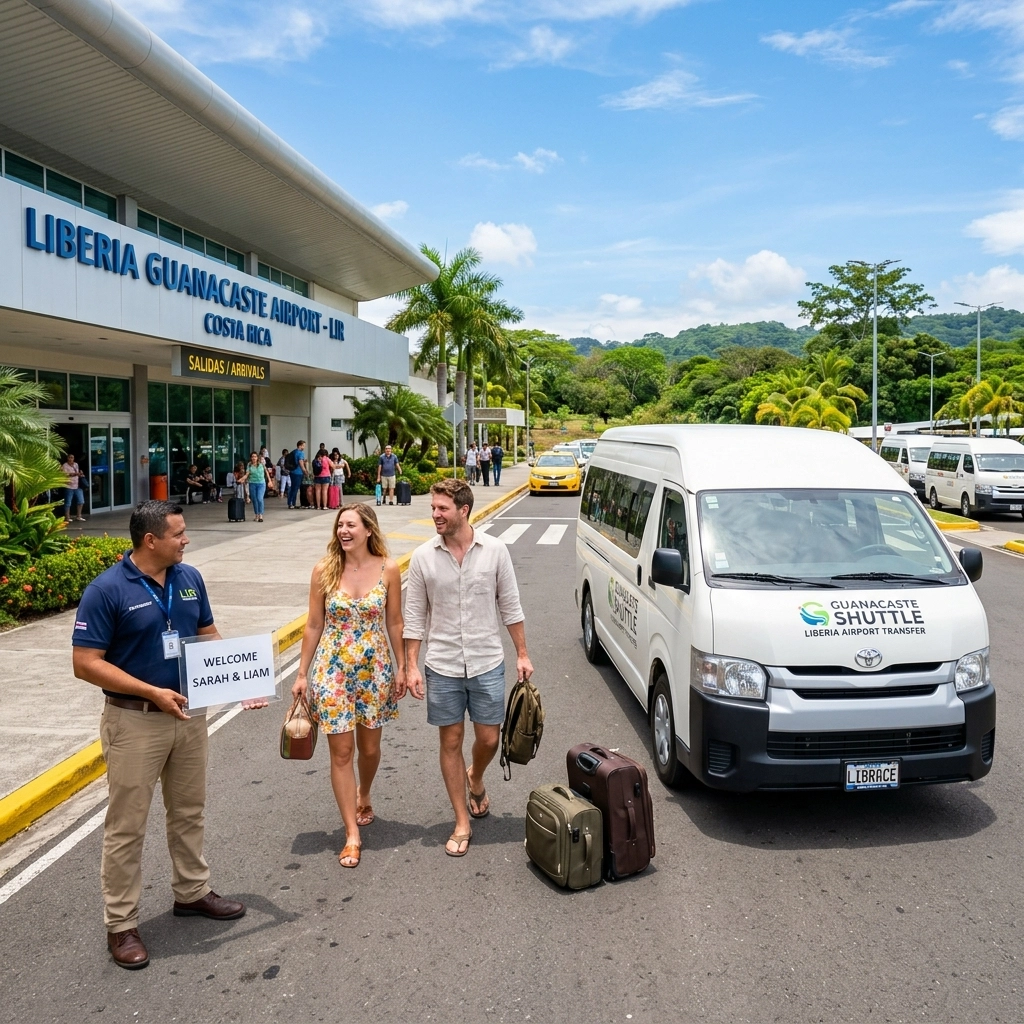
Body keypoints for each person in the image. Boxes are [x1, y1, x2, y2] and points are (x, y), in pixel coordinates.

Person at [71, 500, 266, 970]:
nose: (187, 539)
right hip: (134, 720)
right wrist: (151, 692)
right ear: (150, 540)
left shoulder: (189, 578)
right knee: (126, 826)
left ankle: (192, 892)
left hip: (189, 716)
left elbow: (208, 634)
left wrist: (241, 682)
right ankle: (121, 925)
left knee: (188, 810)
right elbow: (85, 663)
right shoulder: (107, 590)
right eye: (179, 534)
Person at [403, 478, 533, 858]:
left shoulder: (495, 551)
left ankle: (475, 775)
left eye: (442, 509)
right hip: (441, 664)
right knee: (450, 741)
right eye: (433, 508)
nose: (435, 515)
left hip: (486, 660)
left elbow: (510, 605)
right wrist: (411, 665)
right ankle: (461, 820)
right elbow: (414, 617)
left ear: (463, 510)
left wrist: (522, 653)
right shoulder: (423, 557)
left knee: (490, 739)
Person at [292, 504, 406, 869]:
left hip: (374, 670)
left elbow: (395, 623)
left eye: (351, 525)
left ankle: (365, 792)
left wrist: (403, 666)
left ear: (368, 530)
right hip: (332, 670)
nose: (343, 530)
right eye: (340, 524)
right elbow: (313, 625)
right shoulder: (324, 570)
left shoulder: (388, 568)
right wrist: (302, 673)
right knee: (341, 753)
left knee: (369, 749)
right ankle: (351, 835)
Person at [243, 451, 268, 522]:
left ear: (257, 458)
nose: (254, 458)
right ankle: (256, 514)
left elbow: (266, 472)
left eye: (255, 456)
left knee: (260, 498)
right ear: (251, 458)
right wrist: (242, 479)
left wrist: (269, 481)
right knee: (254, 499)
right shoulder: (249, 465)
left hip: (261, 483)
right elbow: (247, 474)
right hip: (252, 483)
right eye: (252, 457)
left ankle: (261, 515)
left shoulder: (261, 464)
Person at [62, 452, 86, 522]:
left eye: (72, 458)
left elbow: (77, 473)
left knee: (81, 501)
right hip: (69, 486)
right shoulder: (64, 465)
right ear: (67, 458)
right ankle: (67, 517)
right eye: (69, 457)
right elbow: (66, 474)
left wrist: (80, 474)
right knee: (68, 503)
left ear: (74, 458)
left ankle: (79, 516)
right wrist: (76, 474)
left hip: (77, 486)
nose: (70, 459)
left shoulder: (76, 464)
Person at [287, 441, 307, 509]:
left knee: (293, 487)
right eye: (303, 445)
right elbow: (300, 462)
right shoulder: (300, 453)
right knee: (295, 488)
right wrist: (304, 470)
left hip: (292, 471)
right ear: (300, 446)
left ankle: (291, 502)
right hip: (298, 472)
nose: (304, 447)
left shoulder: (294, 452)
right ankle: (292, 503)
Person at [312, 444, 332, 510]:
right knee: (324, 491)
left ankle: (318, 506)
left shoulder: (316, 459)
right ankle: (324, 506)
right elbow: (333, 466)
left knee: (317, 491)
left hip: (317, 476)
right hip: (326, 476)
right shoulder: (327, 459)